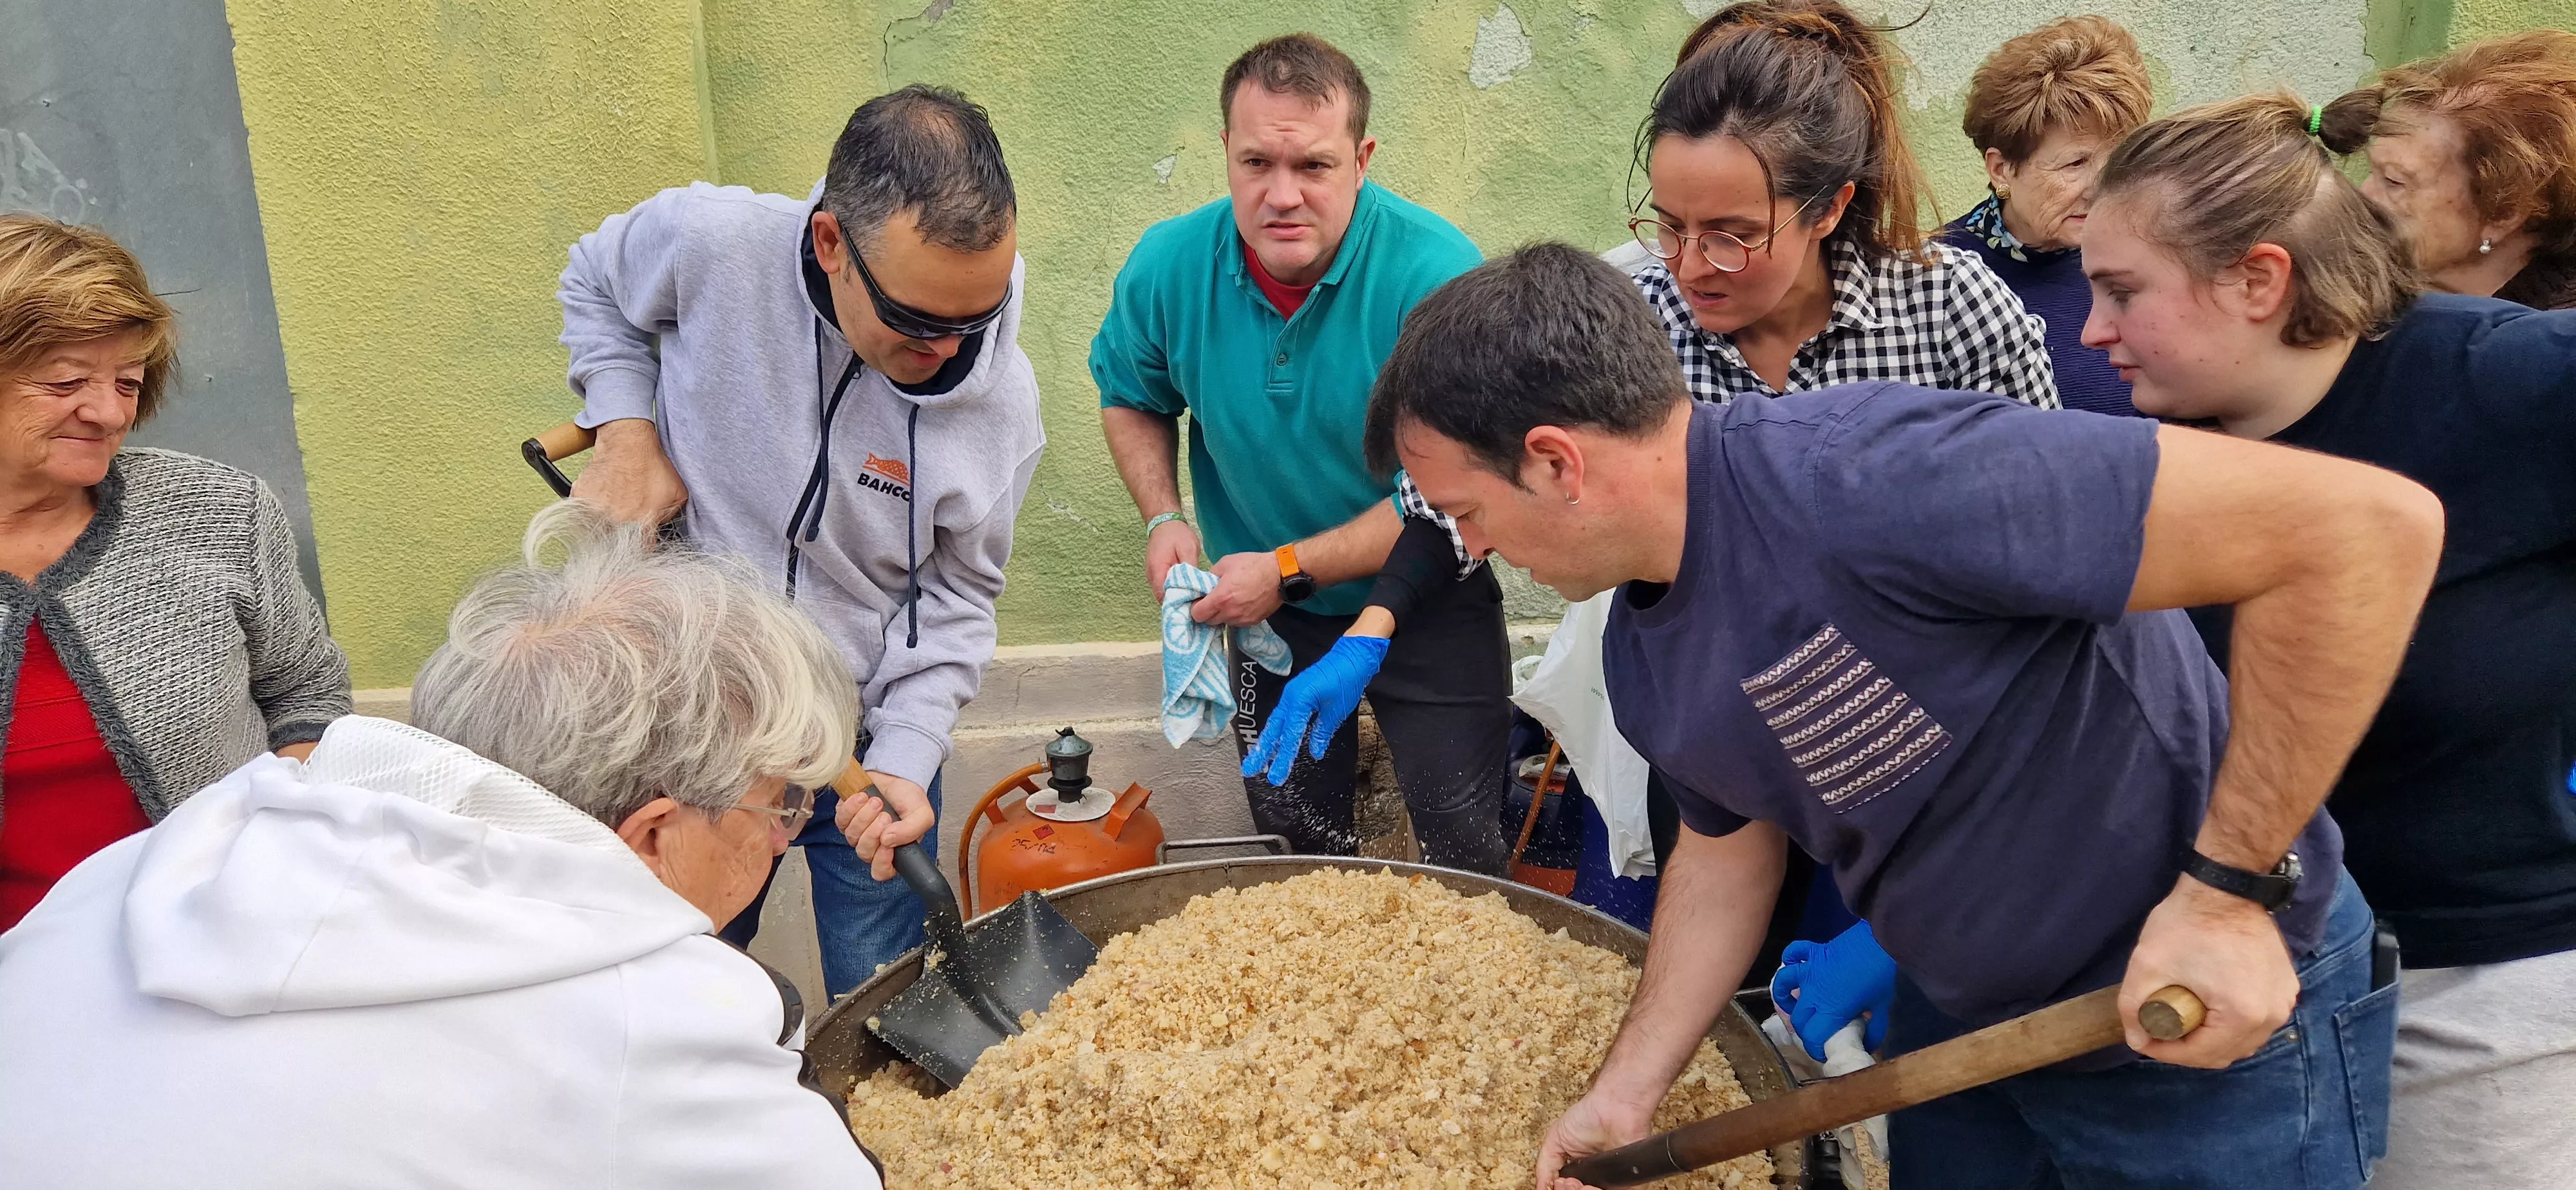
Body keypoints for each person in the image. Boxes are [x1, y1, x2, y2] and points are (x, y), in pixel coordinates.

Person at [1366, 244, 2441, 1190]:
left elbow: (2363, 533)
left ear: (1554, 460)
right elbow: (1727, 856)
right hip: (1972, 1033)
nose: (1474, 547)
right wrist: (1624, 1092)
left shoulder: (1875, 475)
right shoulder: (1643, 656)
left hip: (2206, 1029)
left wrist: (2230, 894)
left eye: (1467, 512)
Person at [0, 502, 885, 1188]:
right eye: (779, 806)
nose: (785, 835)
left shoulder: (178, 846)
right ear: (654, 832)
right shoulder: (659, 1026)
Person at [2082, 92, 2576, 1190]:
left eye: (2122, 292)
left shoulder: (2510, 381)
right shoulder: (2161, 440)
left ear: (2259, 281)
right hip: (2248, 981)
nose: (2091, 330)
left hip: (2477, 998)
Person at [558, 85, 1042, 992]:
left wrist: (906, 758)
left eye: (974, 321)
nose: (949, 351)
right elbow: (594, 281)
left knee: (884, 1000)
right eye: (916, 321)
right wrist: (627, 432)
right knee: (674, 977)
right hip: (697, 718)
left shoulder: (1002, 407)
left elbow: (959, 599)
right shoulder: (711, 245)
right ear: (832, 245)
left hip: (861, 739)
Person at [1093, 33, 1510, 874]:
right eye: (1256, 163)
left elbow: (1461, 497)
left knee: (1466, 850)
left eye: (1313, 166)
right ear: (1225, 153)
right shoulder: (1167, 266)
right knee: (1294, 845)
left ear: (1362, 159)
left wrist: (1285, 565)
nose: (1281, 195)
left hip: (1431, 599)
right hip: (1270, 618)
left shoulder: (1440, 276)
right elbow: (1133, 396)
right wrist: (1162, 515)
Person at [0, 214, 349, 932]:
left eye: (127, 383)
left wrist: (282, 831)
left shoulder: (221, 511)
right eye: (66, 380)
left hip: (225, 943)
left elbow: (306, 691)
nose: (106, 413)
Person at [1607, 0, 2058, 406]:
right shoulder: (1625, 331)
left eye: (1730, 236)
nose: (1687, 269)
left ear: (1828, 209)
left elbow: (2050, 491)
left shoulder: (1949, 311)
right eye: (1668, 227)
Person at [1939, 15, 2153, 415]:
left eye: (2118, 159)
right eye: (2075, 163)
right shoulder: (1935, 279)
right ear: (2002, 170)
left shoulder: (2152, 256)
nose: (2101, 187)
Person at [2322, 30, 2576, 309]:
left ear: (2504, 212)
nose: (2364, 195)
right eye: (2374, 172)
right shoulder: (2383, 296)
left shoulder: (2548, 344)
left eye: (2395, 181)